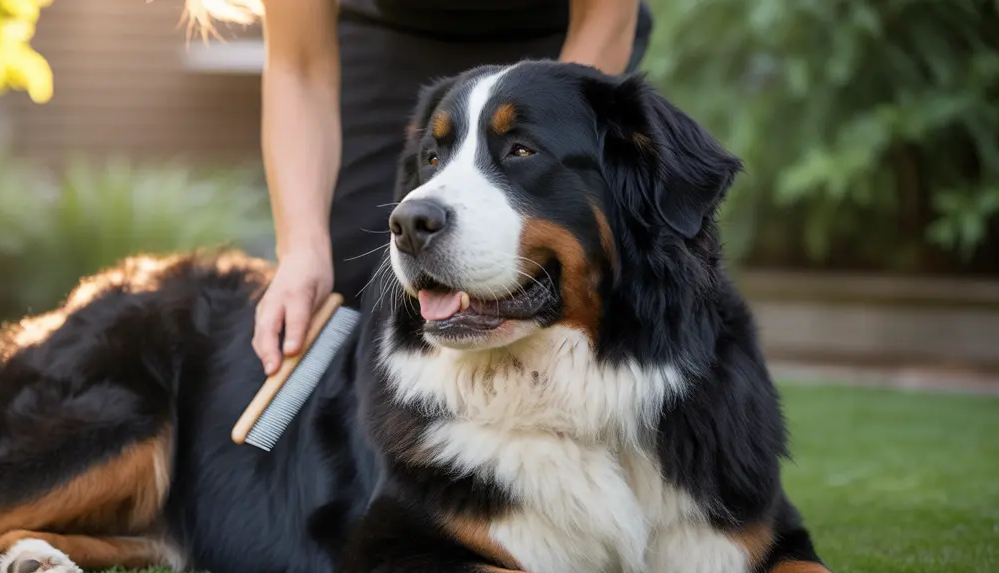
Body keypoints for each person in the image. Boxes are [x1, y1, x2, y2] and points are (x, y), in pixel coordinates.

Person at [184, 1, 652, 376]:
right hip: (386, 44)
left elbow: (605, 17)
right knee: (362, 289)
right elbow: (299, 67)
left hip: (566, 38)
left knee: (587, 272)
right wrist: (301, 250)